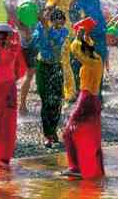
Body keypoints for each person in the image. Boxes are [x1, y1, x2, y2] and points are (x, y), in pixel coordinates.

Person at [61, 21, 104, 180]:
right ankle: (96, 169)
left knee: (68, 133)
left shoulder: (89, 62)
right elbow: (85, 46)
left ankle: (74, 167)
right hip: (95, 101)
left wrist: (77, 37)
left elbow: (75, 50)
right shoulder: (97, 59)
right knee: (93, 136)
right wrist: (84, 36)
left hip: (86, 100)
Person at [0, 22, 24, 168]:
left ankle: (6, 157)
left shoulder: (14, 47)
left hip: (9, 89)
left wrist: (12, 33)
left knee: (8, 123)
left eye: (4, 36)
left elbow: (18, 41)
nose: (1, 39)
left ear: (9, 37)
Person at [30, 8, 68, 148]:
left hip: (56, 66)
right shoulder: (40, 28)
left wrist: (45, 27)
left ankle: (53, 130)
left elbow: (54, 41)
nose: (60, 24)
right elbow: (33, 41)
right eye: (57, 21)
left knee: (57, 100)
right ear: (52, 21)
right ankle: (47, 134)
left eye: (62, 22)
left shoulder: (64, 31)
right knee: (46, 100)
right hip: (43, 67)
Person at [68, 0, 108, 68]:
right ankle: (98, 81)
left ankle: (85, 82)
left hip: (84, 22)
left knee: (82, 53)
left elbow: (70, 1)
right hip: (98, 20)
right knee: (99, 53)